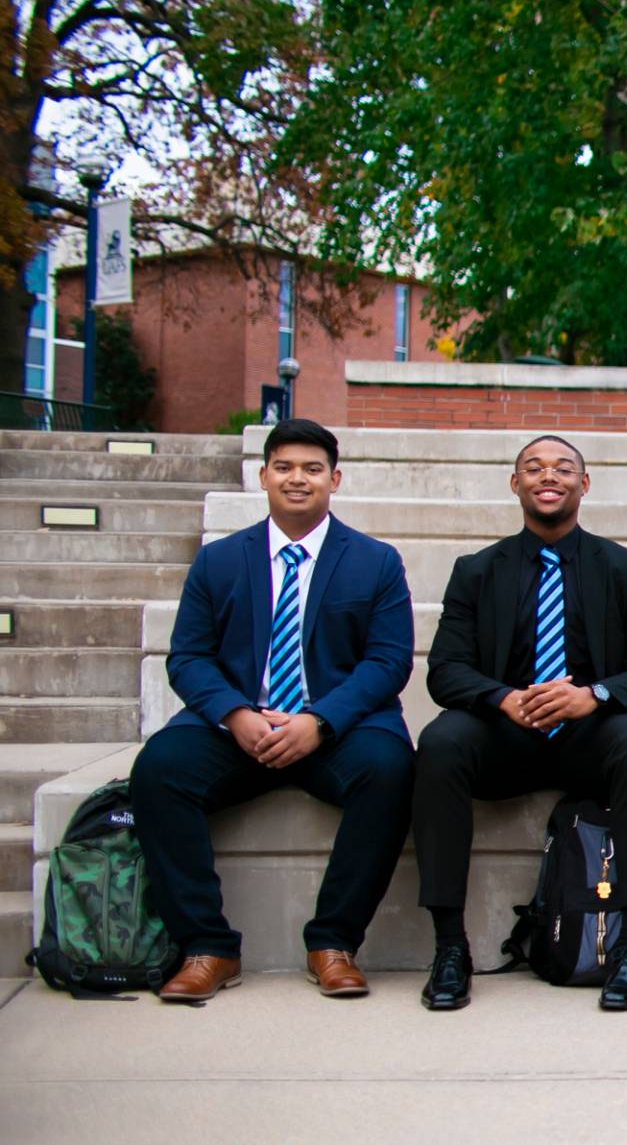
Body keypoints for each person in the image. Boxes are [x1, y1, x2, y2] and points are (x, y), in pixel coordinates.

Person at [131, 418, 414, 1002]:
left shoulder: (376, 561)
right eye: (284, 466)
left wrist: (319, 720)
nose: (297, 479)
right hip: (239, 727)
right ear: (262, 476)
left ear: (335, 479)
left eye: (312, 469)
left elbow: (388, 662)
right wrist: (236, 714)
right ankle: (207, 946)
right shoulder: (219, 561)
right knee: (159, 769)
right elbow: (187, 658)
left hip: (335, 729)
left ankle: (333, 943)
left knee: (392, 771)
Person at [411, 435, 627, 1012]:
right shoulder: (476, 571)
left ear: (585, 484)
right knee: (440, 741)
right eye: (533, 467)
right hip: (507, 735)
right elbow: (445, 672)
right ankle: (450, 946)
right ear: (515, 484)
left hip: (590, 737)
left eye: (562, 468)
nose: (547, 476)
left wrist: (593, 695)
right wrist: (502, 698)